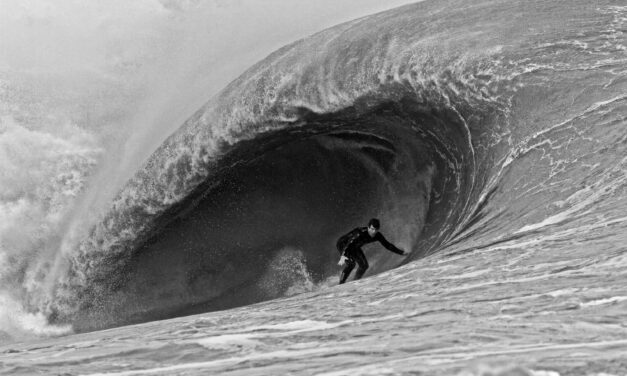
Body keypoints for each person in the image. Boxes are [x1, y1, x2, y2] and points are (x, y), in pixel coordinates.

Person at [336, 218, 406, 284]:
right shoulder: (360, 234)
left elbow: (388, 245)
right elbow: (348, 244)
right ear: (368, 227)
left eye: (376, 230)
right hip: (343, 244)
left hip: (354, 247)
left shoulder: (377, 235)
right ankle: (341, 283)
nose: (374, 232)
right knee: (351, 264)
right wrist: (343, 255)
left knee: (364, 266)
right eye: (372, 229)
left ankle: (355, 281)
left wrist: (401, 252)